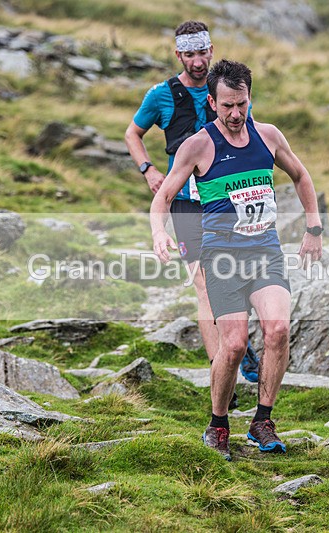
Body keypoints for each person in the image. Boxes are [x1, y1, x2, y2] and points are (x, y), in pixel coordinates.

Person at [151, 59, 323, 461]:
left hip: (265, 251)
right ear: (211, 102)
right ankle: (218, 424)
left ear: (249, 98)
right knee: (233, 346)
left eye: (241, 104)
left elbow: (301, 175)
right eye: (226, 105)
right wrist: (159, 232)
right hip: (223, 258)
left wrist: (313, 228)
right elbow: (164, 196)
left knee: (278, 330)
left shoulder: (268, 136)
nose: (234, 114)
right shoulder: (198, 145)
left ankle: (262, 420)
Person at [124, 21, 260, 398]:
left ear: (211, 50)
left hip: (229, 198)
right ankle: (223, 374)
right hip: (185, 201)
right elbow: (132, 133)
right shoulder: (161, 95)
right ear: (178, 55)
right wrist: (148, 169)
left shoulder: (229, 91)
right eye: (189, 54)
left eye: (202, 53)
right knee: (203, 284)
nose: (197, 61)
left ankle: (238, 345)